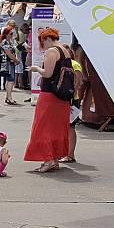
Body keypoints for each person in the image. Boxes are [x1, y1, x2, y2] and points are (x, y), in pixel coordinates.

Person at [24, 28, 72, 173]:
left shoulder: (52, 51)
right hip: (62, 96)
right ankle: (55, 158)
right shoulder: (65, 50)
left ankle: (48, 159)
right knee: (57, 128)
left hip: (50, 96)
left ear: (46, 39)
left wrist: (36, 68)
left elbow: (48, 73)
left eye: (42, 41)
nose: (42, 44)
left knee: (44, 127)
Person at [60, 44, 84, 164]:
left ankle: (70, 154)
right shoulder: (64, 64)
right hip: (67, 98)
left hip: (71, 99)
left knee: (70, 127)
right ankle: (66, 153)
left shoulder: (74, 64)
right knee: (66, 127)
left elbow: (79, 82)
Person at [0, 27, 20, 105]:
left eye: (12, 33)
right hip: (7, 62)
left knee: (9, 80)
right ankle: (9, 98)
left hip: (9, 62)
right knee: (11, 80)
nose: (12, 35)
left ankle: (8, 97)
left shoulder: (9, 41)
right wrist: (16, 60)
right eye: (10, 33)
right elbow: (8, 53)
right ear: (6, 34)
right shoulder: (5, 42)